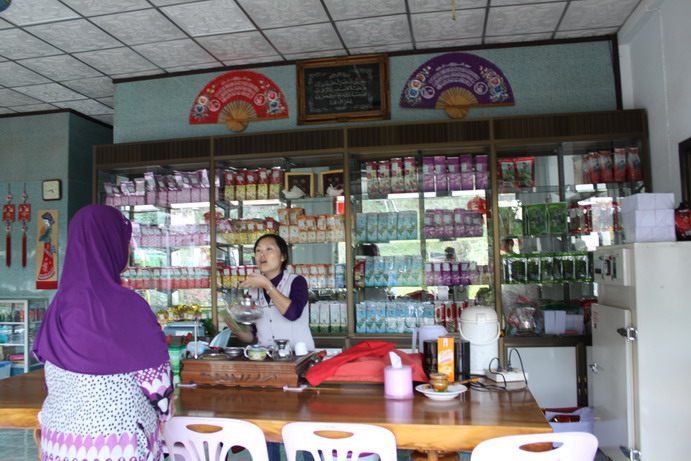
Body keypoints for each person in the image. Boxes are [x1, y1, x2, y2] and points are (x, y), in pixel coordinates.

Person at [32, 204, 173, 461]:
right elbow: (157, 385)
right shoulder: (130, 306)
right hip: (118, 444)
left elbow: (51, 377)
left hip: (61, 443)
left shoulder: (59, 305)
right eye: (125, 241)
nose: (128, 249)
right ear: (110, 244)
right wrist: (164, 415)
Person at [228, 233, 314, 351]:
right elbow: (251, 335)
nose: (262, 254)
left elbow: (293, 314)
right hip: (267, 355)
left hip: (298, 355)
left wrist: (267, 285)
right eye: (258, 250)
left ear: (283, 256)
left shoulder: (296, 281)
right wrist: (233, 323)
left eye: (269, 249)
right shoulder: (253, 289)